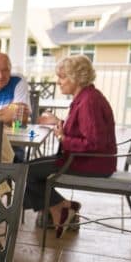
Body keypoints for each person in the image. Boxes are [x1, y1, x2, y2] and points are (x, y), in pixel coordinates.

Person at [28, 55, 116, 238]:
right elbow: (84, 131)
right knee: (28, 168)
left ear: (76, 78)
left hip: (91, 163)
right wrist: (59, 123)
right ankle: (61, 208)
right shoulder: (86, 97)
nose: (58, 82)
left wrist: (62, 137)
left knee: (26, 173)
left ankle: (60, 209)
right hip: (84, 159)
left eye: (62, 77)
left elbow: (93, 143)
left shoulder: (88, 101)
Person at [0, 52, 31, 162]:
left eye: (5, 70)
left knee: (16, 161)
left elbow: (20, 118)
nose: (0, 76)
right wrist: (6, 114)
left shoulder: (18, 80)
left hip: (12, 142)